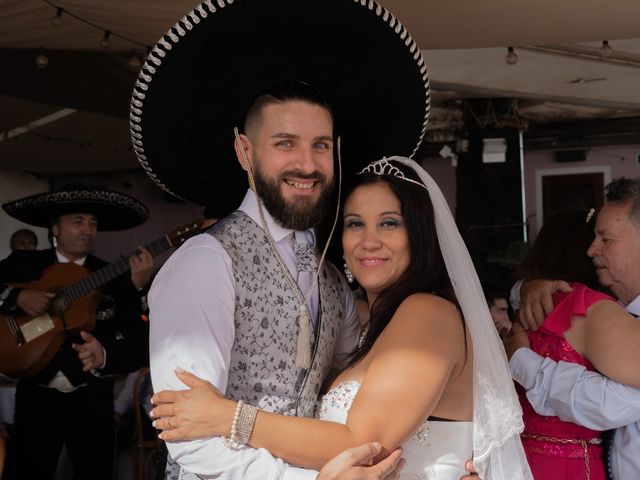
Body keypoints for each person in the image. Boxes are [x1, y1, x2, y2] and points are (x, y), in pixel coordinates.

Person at [131, 1, 430, 478]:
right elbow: (188, 436)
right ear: (245, 151)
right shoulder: (205, 262)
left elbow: (356, 388)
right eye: (284, 143)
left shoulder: (332, 277)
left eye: (321, 146)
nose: (307, 165)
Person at [150, 157, 532, 479]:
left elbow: (360, 444)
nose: (369, 240)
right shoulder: (378, 320)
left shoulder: (427, 313)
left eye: (388, 223)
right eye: (354, 223)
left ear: (419, 234)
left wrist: (228, 416)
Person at [0, 189, 154, 479]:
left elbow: (138, 343)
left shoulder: (113, 275)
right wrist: (17, 297)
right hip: (36, 397)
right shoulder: (25, 264)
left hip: (91, 401)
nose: (88, 230)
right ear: (55, 228)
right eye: (78, 221)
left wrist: (138, 288)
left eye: (93, 223)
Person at [507, 178, 640, 480]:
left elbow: (605, 404)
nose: (592, 249)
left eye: (606, 239)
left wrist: (521, 361)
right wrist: (531, 286)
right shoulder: (600, 308)